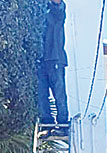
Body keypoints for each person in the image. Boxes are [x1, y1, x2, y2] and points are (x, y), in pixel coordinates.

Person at [38, 0, 69, 134]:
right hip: (40, 60)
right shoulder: (37, 11)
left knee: (59, 93)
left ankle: (62, 126)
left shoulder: (56, 11)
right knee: (41, 94)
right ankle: (46, 125)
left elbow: (59, 6)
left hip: (55, 58)